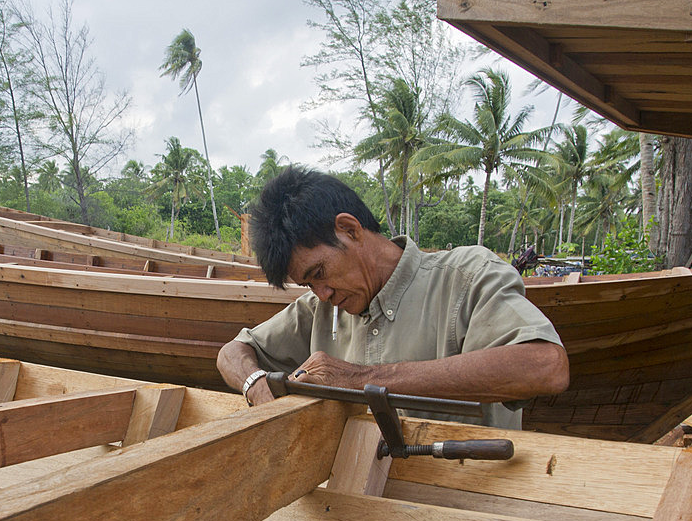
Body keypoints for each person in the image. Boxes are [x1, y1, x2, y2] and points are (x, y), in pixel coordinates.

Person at [216, 166, 569, 428]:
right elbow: (232, 352)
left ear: (350, 230)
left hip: (464, 505)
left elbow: (545, 366)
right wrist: (255, 386)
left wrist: (359, 380)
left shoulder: (465, 277)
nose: (321, 295)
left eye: (319, 274)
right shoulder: (320, 309)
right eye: (307, 286)